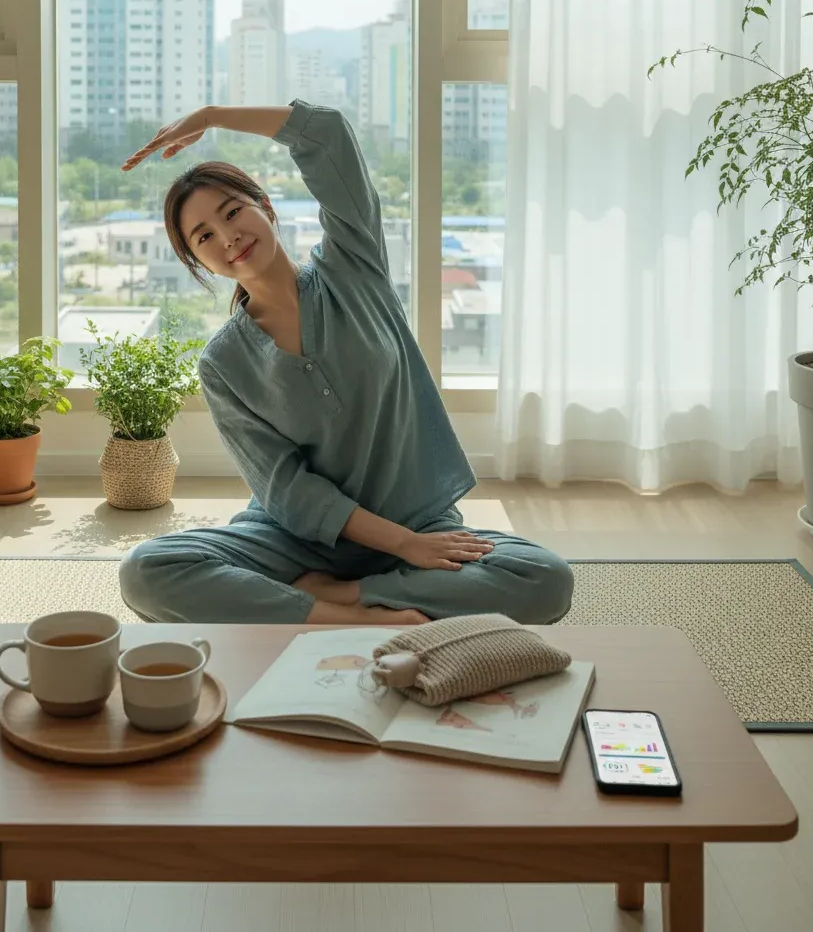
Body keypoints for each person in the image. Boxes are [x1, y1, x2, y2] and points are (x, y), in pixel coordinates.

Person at [117, 100, 573, 626]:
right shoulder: (223, 363)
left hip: (418, 524)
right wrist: (401, 549)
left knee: (544, 579)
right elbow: (286, 490)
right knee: (146, 570)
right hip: (295, 544)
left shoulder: (353, 265)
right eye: (204, 237)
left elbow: (328, 136)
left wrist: (213, 116)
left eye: (233, 212)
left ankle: (336, 598)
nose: (228, 238)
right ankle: (358, 617)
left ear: (265, 206)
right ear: (200, 263)